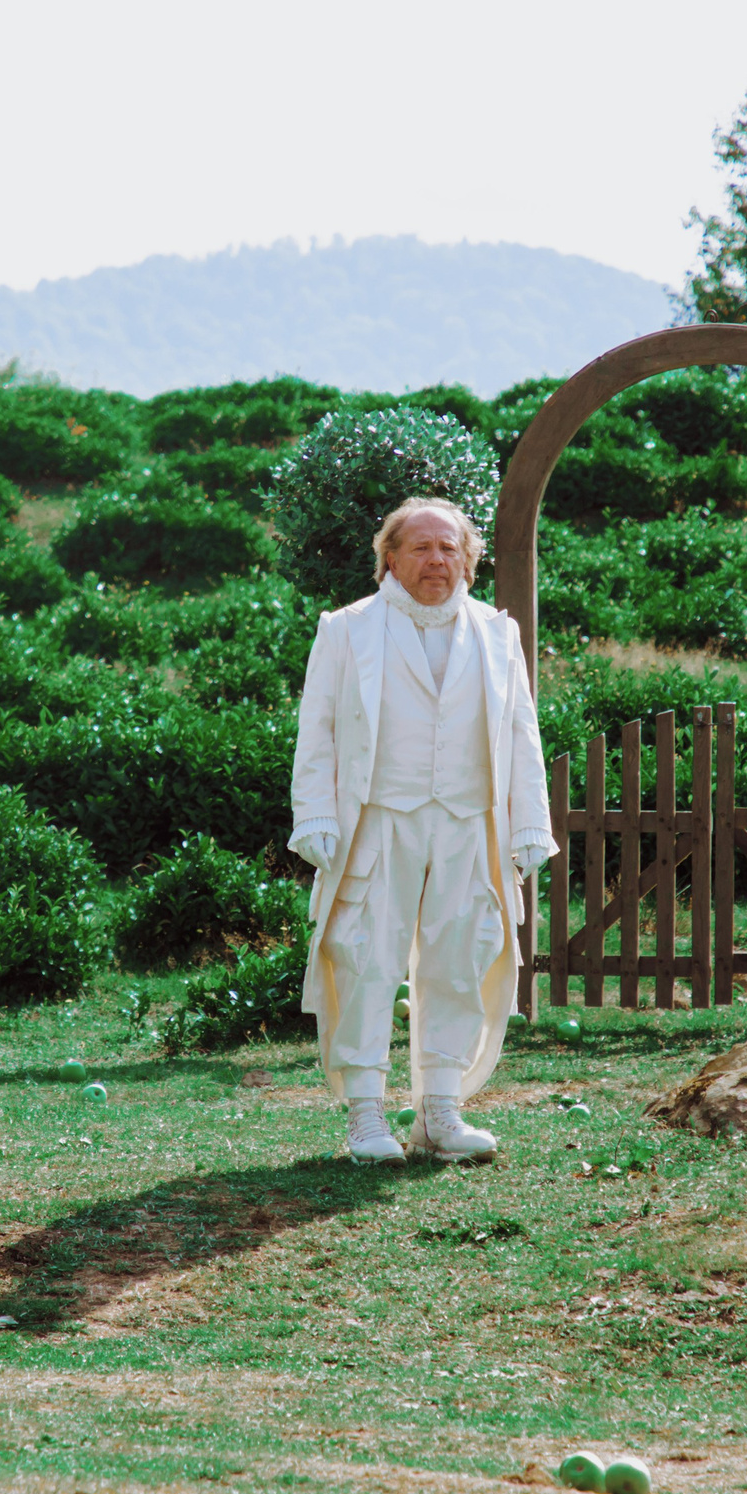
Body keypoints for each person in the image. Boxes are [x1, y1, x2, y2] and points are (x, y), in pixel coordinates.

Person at [288, 498, 554, 1163]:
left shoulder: (497, 632)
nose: (436, 560)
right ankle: (367, 1116)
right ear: (390, 557)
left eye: (449, 547)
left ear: (469, 558)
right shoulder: (346, 629)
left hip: (467, 820)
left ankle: (440, 1112)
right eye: (420, 547)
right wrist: (316, 813)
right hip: (379, 818)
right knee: (365, 958)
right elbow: (316, 730)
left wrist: (530, 824)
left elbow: (521, 733)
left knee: (460, 958)